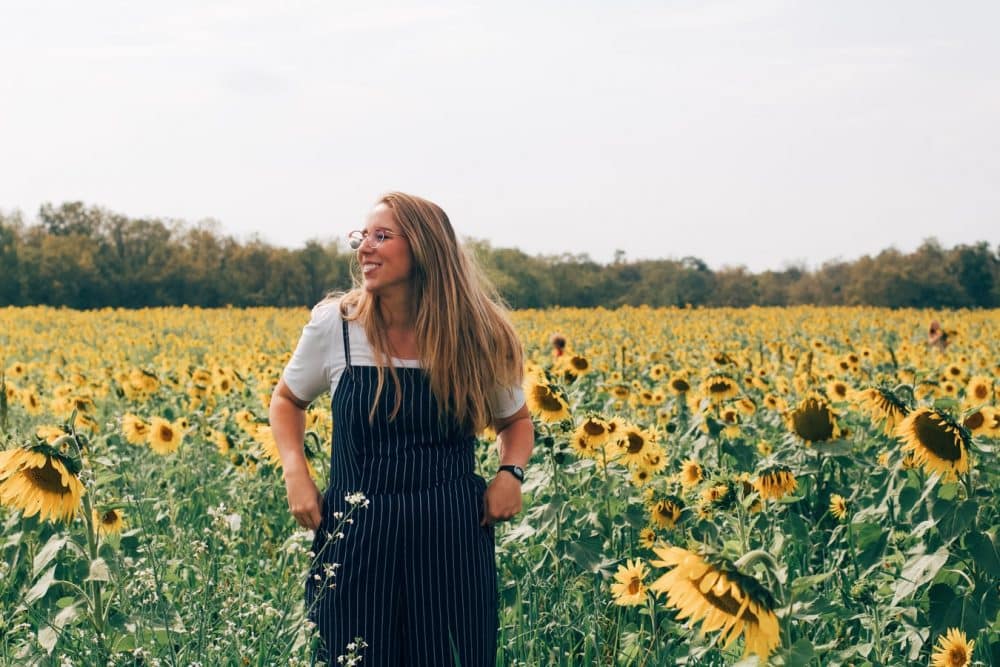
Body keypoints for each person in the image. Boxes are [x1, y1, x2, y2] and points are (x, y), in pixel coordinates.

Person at [269, 192, 534, 666]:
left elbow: (515, 421)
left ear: (426, 249)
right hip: (355, 536)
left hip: (450, 536)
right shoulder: (338, 325)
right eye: (363, 236)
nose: (364, 247)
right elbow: (287, 400)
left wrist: (509, 474)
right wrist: (296, 471)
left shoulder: (477, 332)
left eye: (381, 236)